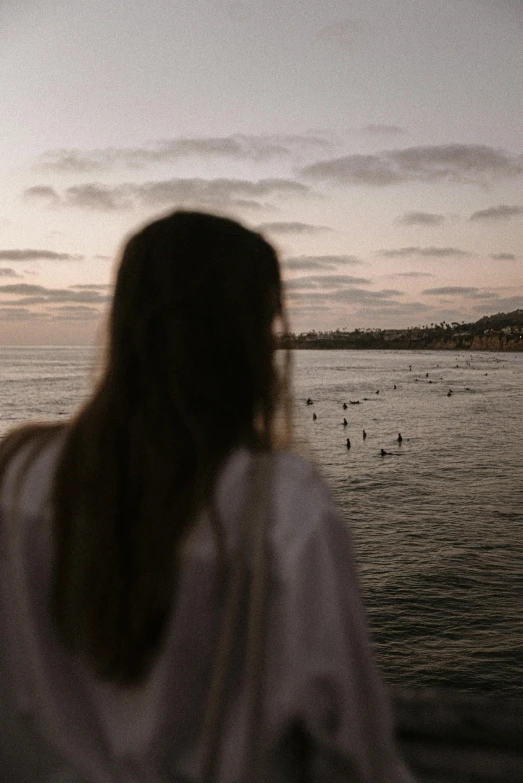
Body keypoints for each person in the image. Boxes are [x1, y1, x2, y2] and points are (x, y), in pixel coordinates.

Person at [0, 211, 414, 782]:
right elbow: (358, 749)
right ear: (248, 340)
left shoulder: (14, 474)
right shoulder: (281, 510)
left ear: (123, 320)